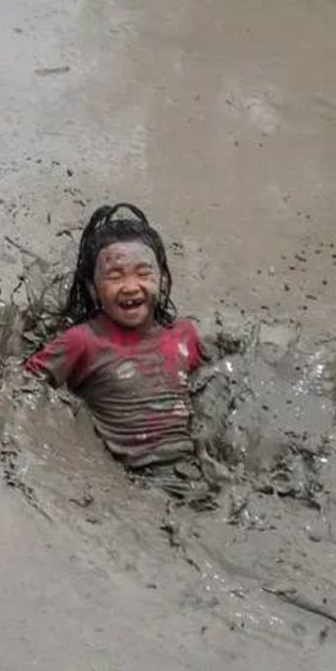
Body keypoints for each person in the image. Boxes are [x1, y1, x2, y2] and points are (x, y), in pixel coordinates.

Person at [25, 203, 207, 489]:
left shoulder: (185, 336)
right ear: (92, 289)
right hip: (137, 483)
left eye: (143, 273)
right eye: (115, 276)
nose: (131, 286)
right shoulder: (82, 341)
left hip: (197, 472)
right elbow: (22, 386)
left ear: (163, 279)